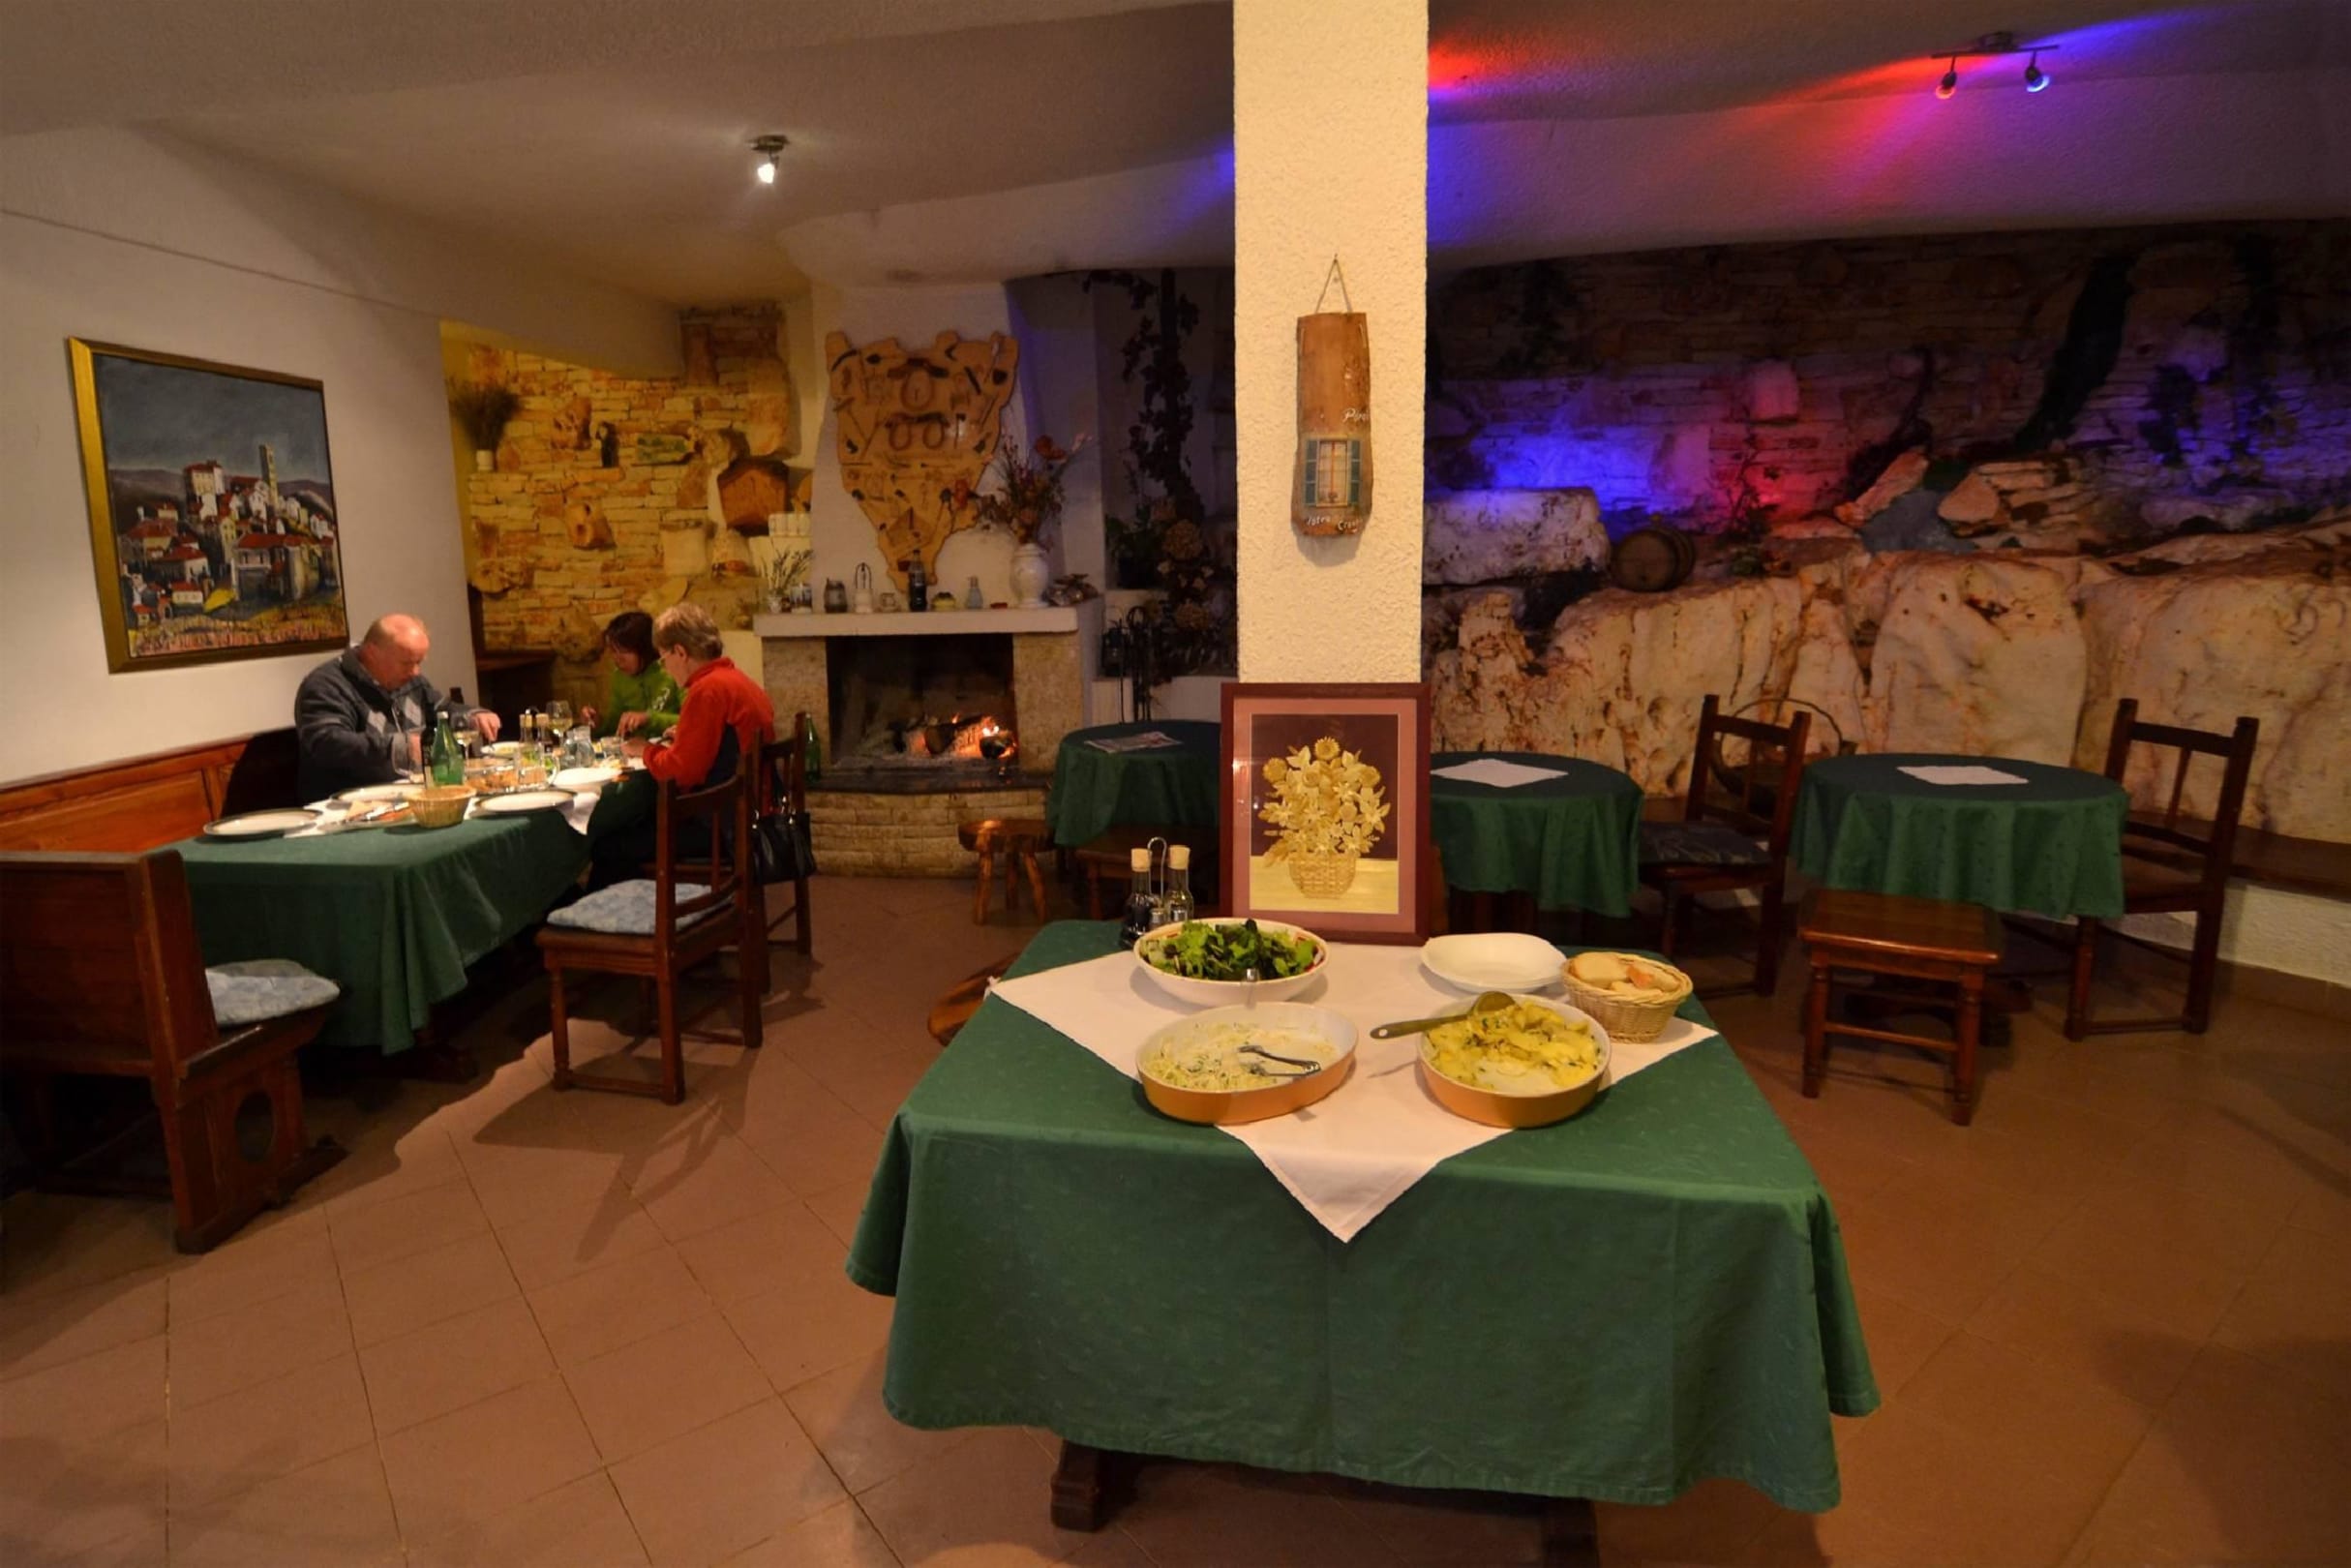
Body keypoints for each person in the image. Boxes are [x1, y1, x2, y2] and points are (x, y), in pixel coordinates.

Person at [591, 603, 774, 885]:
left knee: (610, 845)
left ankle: (624, 911)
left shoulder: (706, 691)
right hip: (750, 811)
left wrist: (646, 750)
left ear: (680, 652)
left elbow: (681, 773)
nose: (664, 666)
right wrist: (686, 735)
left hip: (723, 824)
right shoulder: (737, 680)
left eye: (663, 658)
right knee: (635, 829)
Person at [293, 614, 501, 799]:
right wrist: (399, 748)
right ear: (372, 653)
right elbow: (327, 744)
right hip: (348, 806)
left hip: (410, 796)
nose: (416, 672)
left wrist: (472, 716)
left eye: (419, 662)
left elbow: (442, 709)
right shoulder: (326, 686)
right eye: (407, 663)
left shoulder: (410, 680)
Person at [580, 610, 681, 740]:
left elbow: (694, 720)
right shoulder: (620, 677)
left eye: (624, 651)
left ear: (645, 648)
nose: (617, 659)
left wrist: (648, 718)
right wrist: (597, 723)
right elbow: (615, 727)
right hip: (637, 750)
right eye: (613, 651)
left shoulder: (673, 670)